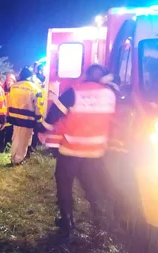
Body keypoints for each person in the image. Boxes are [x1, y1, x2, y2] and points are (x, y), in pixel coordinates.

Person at [37, 64, 117, 239]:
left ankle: (67, 222)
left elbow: (54, 113)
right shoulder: (110, 94)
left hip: (72, 149)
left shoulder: (74, 92)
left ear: (86, 76)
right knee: (91, 183)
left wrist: (43, 129)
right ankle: (100, 216)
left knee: (64, 184)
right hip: (95, 151)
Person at [7, 67, 42, 165]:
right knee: (24, 139)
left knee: (16, 137)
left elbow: (8, 100)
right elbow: (38, 105)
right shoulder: (35, 88)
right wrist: (39, 118)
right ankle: (18, 160)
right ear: (30, 76)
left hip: (14, 117)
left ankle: (13, 156)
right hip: (28, 118)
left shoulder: (13, 86)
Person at [0, 72, 16, 152]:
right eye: (7, 81)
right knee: (1, 130)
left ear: (14, 82)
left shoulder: (15, 91)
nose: (8, 82)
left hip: (11, 114)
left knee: (9, 131)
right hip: (3, 114)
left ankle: (7, 146)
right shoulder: (2, 90)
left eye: (10, 81)